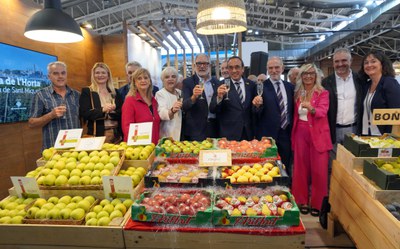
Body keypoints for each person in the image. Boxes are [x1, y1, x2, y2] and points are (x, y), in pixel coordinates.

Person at [291, 63, 332, 216]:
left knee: (319, 170)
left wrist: (311, 108)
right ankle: (301, 200)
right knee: (300, 169)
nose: (308, 76)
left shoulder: (323, 93)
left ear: (316, 76)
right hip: (300, 132)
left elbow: (322, 111)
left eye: (311, 73)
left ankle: (318, 203)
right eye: (305, 74)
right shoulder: (298, 93)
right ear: (301, 76)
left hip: (318, 133)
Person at [253, 56, 294, 176]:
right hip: (268, 136)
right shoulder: (261, 87)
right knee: (268, 167)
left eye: (277, 67)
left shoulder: (289, 87)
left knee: (286, 165)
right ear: (267, 69)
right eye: (270, 68)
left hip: (286, 133)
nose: (274, 70)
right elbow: (255, 112)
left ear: (282, 68)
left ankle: (286, 188)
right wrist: (257, 106)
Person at [29, 61, 80, 150]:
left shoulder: (77, 95)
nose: (60, 76)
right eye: (56, 73)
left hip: (76, 149)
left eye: (63, 73)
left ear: (66, 74)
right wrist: (51, 115)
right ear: (49, 77)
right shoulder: (40, 95)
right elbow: (32, 123)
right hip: (53, 151)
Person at [322, 48, 363, 147]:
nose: (340, 64)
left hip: (354, 130)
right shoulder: (325, 83)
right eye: (337, 61)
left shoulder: (360, 80)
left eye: (344, 60)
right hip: (332, 130)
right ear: (333, 63)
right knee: (334, 161)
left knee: (351, 161)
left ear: (350, 61)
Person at [210, 56, 256, 140]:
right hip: (228, 134)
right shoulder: (220, 85)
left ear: (243, 69)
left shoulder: (252, 85)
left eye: (237, 67)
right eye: (231, 68)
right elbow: (212, 109)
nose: (234, 70)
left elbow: (254, 110)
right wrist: (219, 97)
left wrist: (258, 105)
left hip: (248, 133)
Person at [358, 51, 400, 135]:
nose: (369, 65)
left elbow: (396, 113)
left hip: (384, 137)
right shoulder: (366, 86)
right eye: (366, 63)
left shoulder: (390, 83)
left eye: (373, 61)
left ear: (382, 64)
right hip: (366, 134)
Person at [79, 62, 123, 142]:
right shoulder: (87, 91)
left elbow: (121, 112)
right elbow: (85, 113)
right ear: (93, 75)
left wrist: (112, 111)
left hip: (117, 135)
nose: (100, 75)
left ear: (108, 75)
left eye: (103, 72)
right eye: (97, 73)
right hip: (97, 135)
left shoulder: (115, 92)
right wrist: (103, 110)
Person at [182, 53, 220, 141]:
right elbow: (184, 106)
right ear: (195, 65)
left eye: (205, 63)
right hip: (195, 130)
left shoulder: (216, 82)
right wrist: (194, 97)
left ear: (209, 65)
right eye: (199, 63)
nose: (202, 66)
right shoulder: (188, 82)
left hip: (214, 128)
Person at [121, 68, 160, 144]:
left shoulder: (154, 101)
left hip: (154, 145)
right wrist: (140, 144)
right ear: (134, 82)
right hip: (138, 147)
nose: (143, 80)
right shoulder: (130, 101)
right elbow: (127, 127)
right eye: (139, 78)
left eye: (146, 78)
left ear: (149, 81)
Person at [155, 67, 183, 141]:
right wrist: (172, 110)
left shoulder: (179, 92)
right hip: (167, 134)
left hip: (181, 133)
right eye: (167, 77)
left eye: (173, 76)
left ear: (177, 79)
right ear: (162, 80)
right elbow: (161, 113)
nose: (170, 79)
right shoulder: (160, 94)